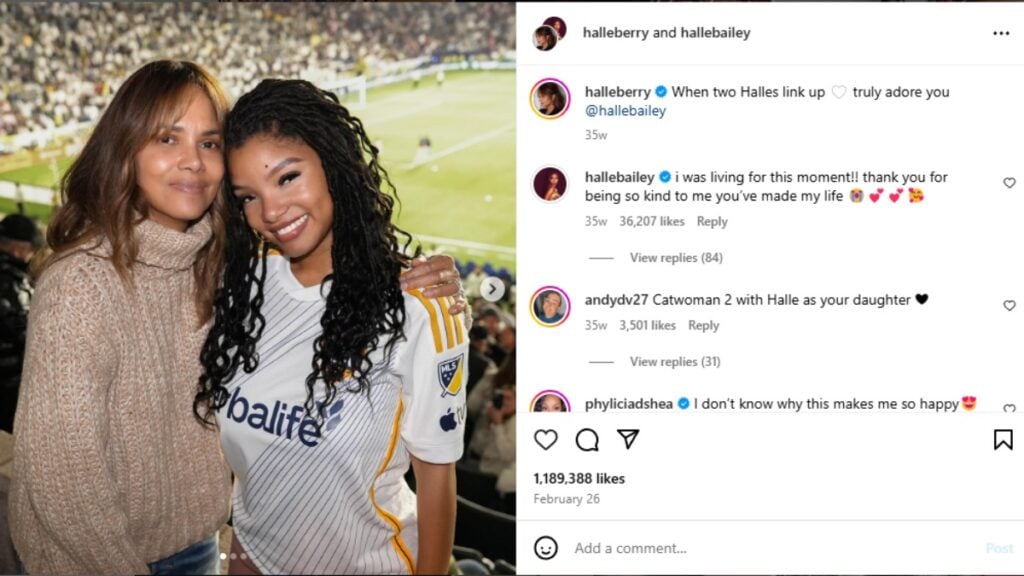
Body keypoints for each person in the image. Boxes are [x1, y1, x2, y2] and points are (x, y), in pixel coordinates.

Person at [10, 60, 463, 576]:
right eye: (167, 139)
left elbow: (435, 469)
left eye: (208, 143)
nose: (193, 162)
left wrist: (436, 280)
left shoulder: (219, 266)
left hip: (203, 547)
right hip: (106, 558)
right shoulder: (87, 285)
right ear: (125, 147)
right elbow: (60, 478)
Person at [193, 79, 467, 575]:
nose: (271, 212)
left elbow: (436, 479)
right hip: (252, 560)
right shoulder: (242, 286)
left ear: (333, 164)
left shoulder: (416, 306)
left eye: (287, 177)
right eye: (248, 197)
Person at [0, 214, 40, 433]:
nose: (33, 254)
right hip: (8, 386)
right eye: (31, 248)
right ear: (17, 248)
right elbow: (28, 335)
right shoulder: (11, 282)